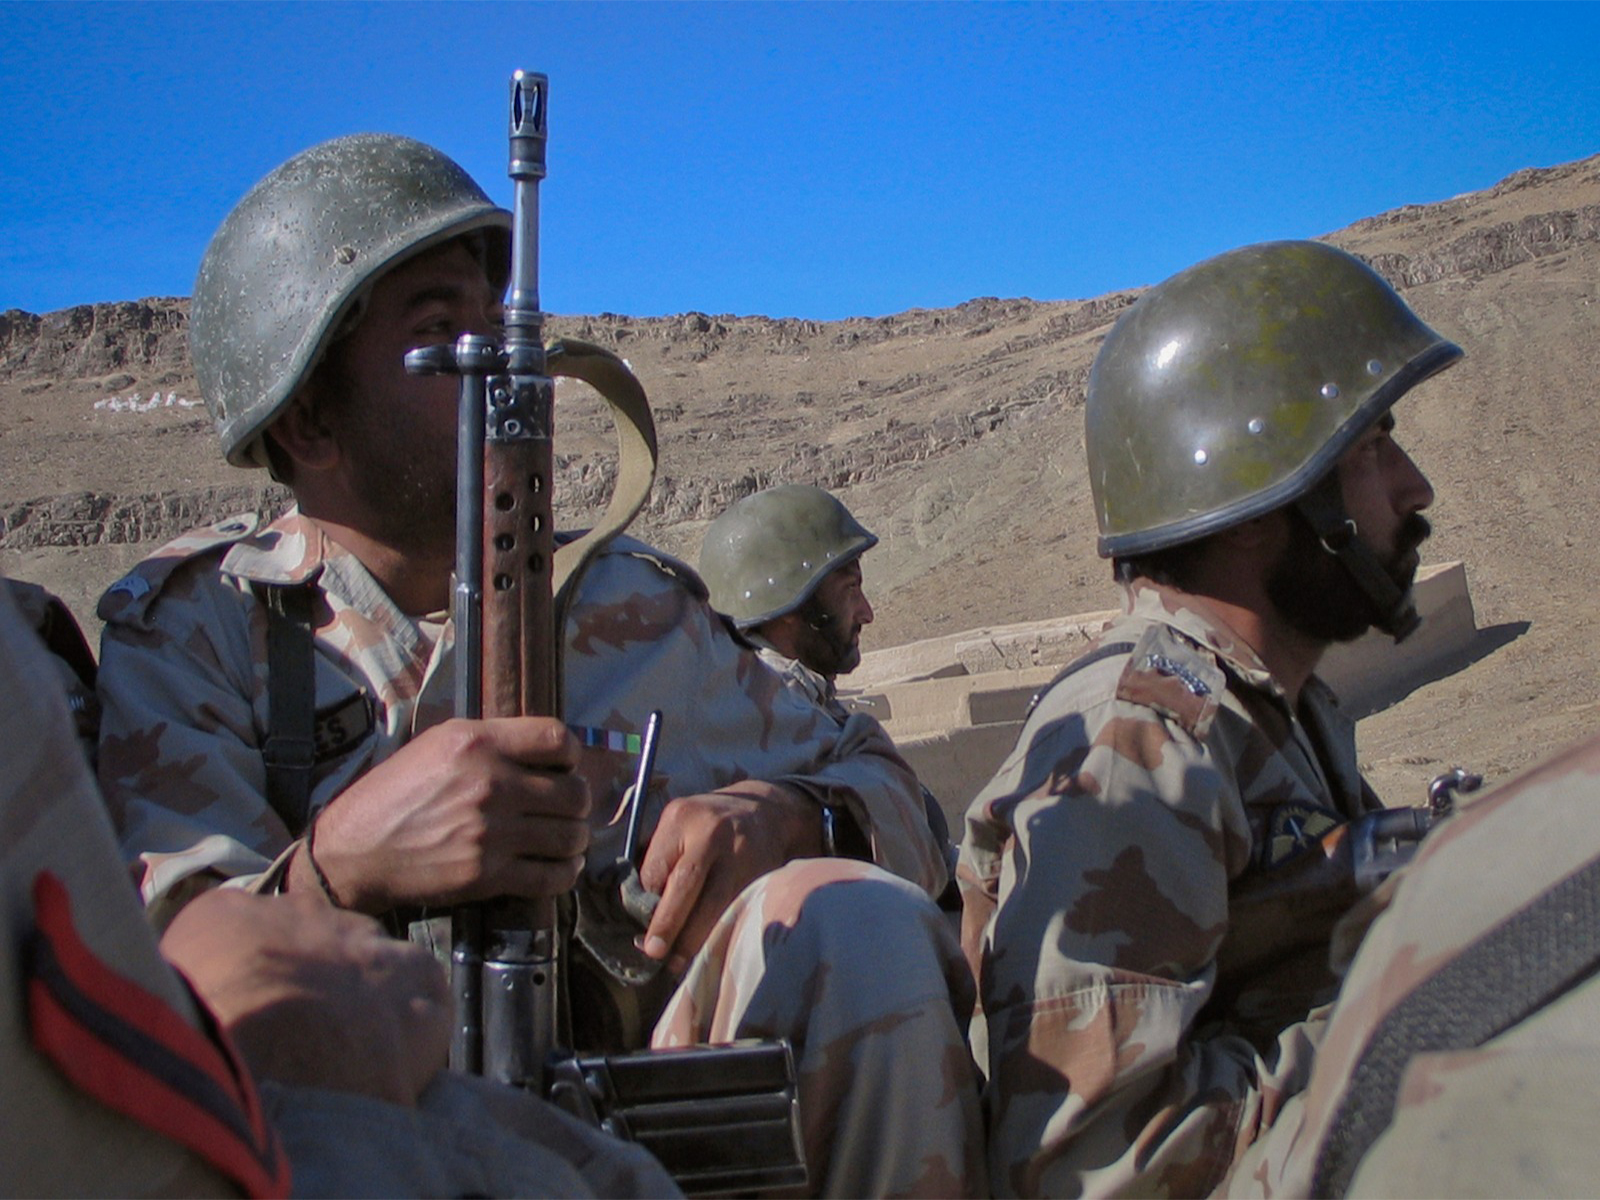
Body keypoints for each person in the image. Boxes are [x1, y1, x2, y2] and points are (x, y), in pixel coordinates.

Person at [95, 133, 981, 1196]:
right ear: (308, 418)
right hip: (359, 1154)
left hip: (643, 1138)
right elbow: (144, 997)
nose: (513, 373)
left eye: (500, 324)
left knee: (861, 923)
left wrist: (789, 820)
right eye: (440, 336)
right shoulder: (202, 633)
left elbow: (908, 814)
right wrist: (336, 872)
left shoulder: (630, 607)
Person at [960, 240, 1460, 1196]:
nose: (1414, 486)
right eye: (1370, 447)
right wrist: (1401, 1020)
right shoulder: (1142, 739)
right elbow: (1093, 1165)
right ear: (1252, 507)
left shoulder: (1266, 708)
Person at [0, 573, 676, 1197]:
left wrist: (782, 808)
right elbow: (155, 987)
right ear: (310, 433)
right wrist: (329, 873)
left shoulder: (631, 587)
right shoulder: (201, 622)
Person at [699, 483, 960, 890]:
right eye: (849, 590)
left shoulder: (787, 701)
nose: (866, 613)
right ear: (790, 608)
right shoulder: (777, 717)